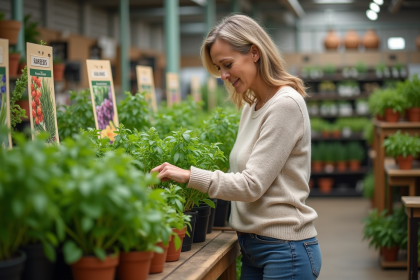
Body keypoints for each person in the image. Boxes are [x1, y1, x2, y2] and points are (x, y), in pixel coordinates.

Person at [151, 14, 322, 280]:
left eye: (227, 64)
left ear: (254, 52)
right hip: (252, 247)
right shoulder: (250, 106)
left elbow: (251, 185)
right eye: (219, 68)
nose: (223, 75)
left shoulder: (285, 105)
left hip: (285, 251)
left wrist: (188, 175)